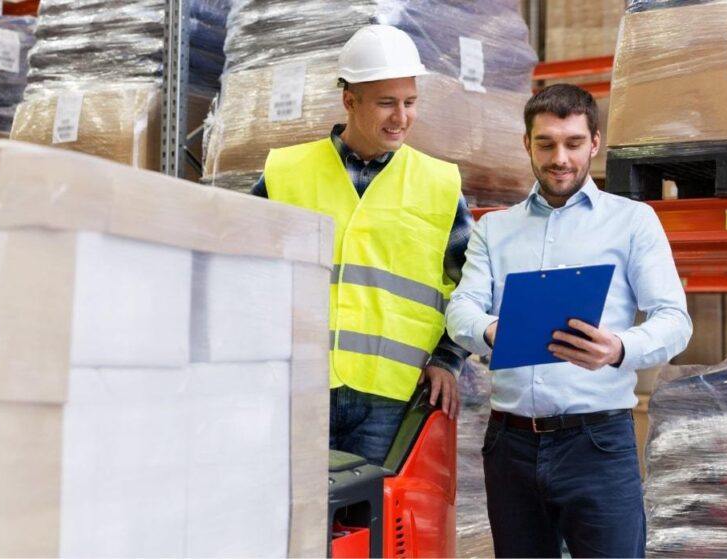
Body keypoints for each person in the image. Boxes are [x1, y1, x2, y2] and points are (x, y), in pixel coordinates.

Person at [445, 83, 692, 558]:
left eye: (574, 143)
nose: (560, 158)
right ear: (527, 144)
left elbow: (674, 320)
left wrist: (617, 348)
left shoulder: (633, 221)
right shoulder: (495, 228)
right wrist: (494, 330)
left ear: (594, 142)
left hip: (597, 444)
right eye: (546, 144)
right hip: (510, 444)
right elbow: (461, 310)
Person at [252, 24, 472, 466]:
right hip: (299, 385)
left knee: (368, 527)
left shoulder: (441, 184)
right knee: (294, 524)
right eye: (387, 103)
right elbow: (240, 271)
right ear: (350, 101)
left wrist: (448, 359)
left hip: (391, 395)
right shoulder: (285, 173)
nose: (402, 117)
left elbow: (472, 287)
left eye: (410, 102)